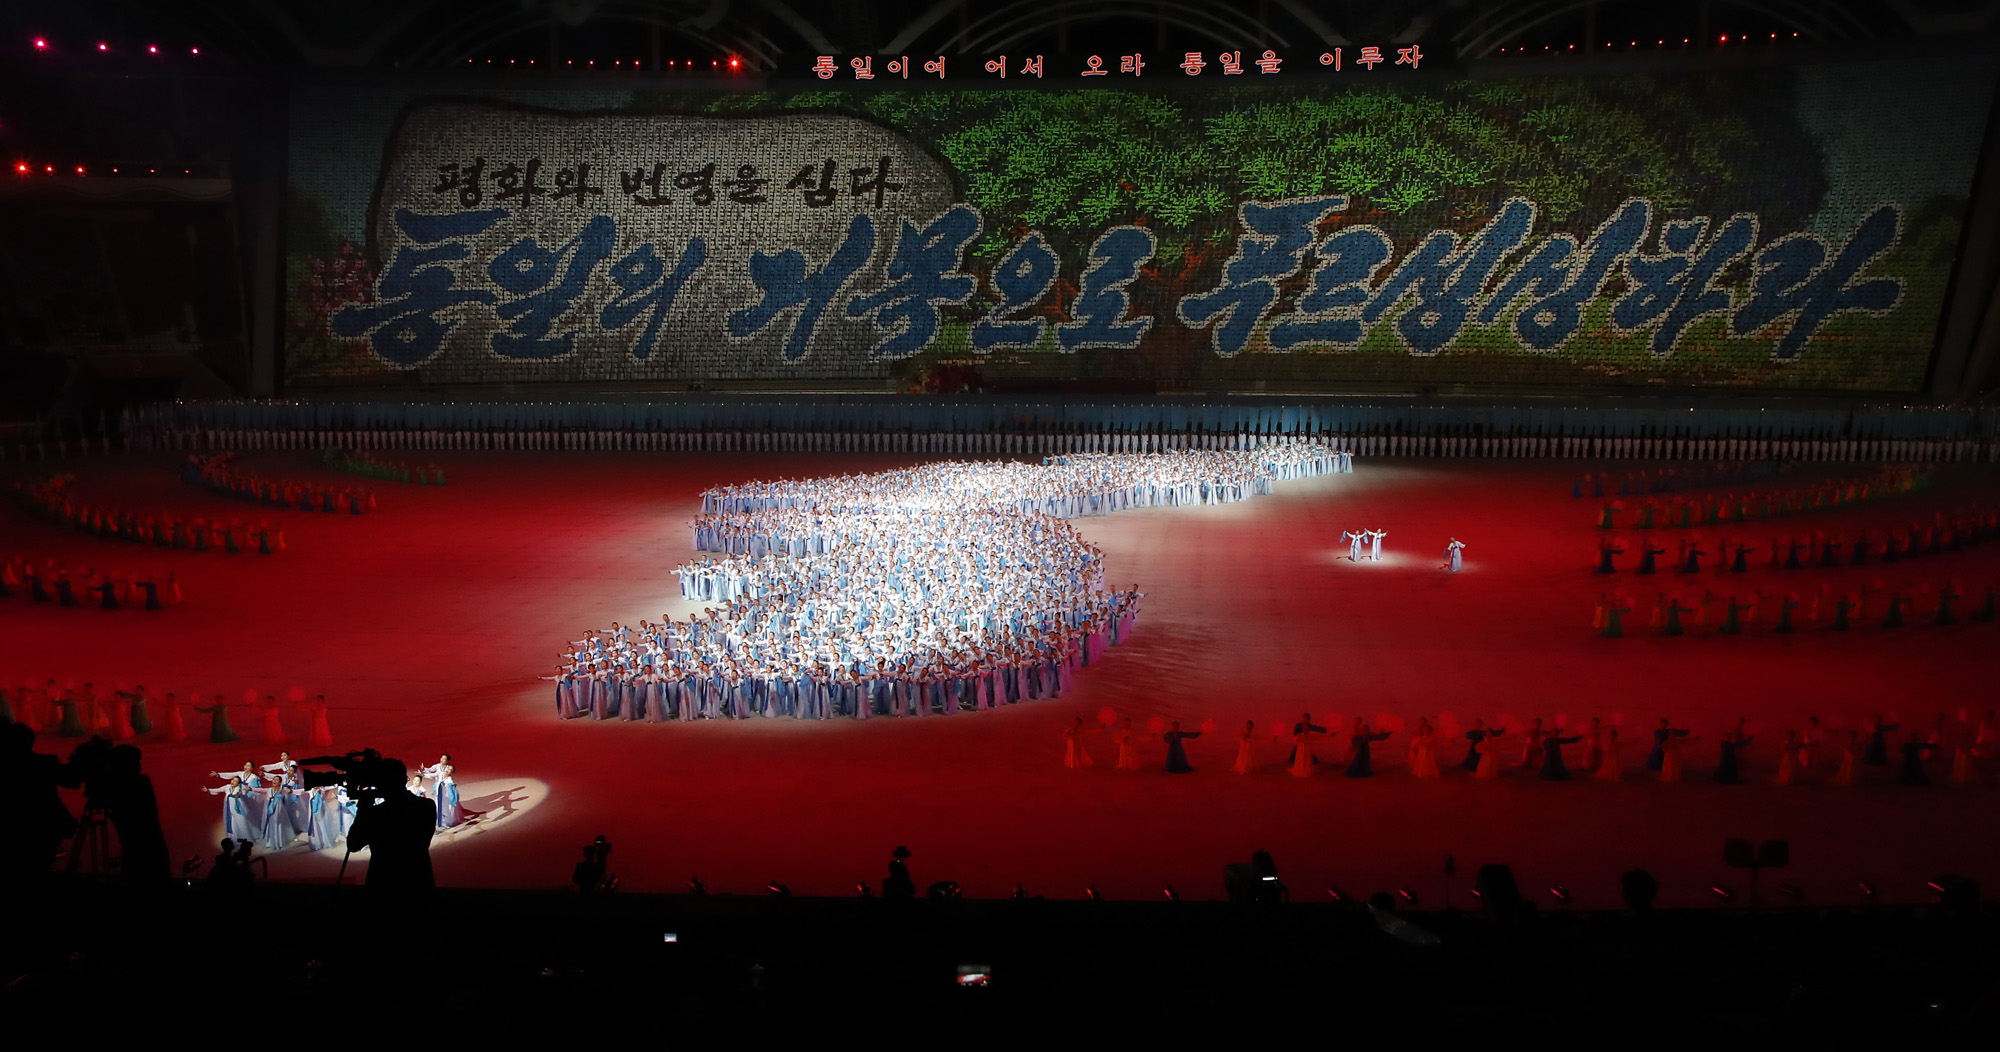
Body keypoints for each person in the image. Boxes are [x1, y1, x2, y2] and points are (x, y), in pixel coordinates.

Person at [343, 757, 437, 906]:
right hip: (418, 882)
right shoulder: (426, 806)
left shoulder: (377, 814)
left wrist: (364, 810)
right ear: (404, 779)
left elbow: (353, 844)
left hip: (382, 885)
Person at [422, 755, 461, 828]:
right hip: (438, 791)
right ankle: (437, 820)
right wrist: (423, 773)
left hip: (445, 796)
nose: (442, 759)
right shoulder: (439, 769)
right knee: (437, 805)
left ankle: (445, 822)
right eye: (441, 758)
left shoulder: (449, 780)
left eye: (444, 759)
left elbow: (451, 786)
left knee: (445, 809)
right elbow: (432, 773)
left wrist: (452, 786)